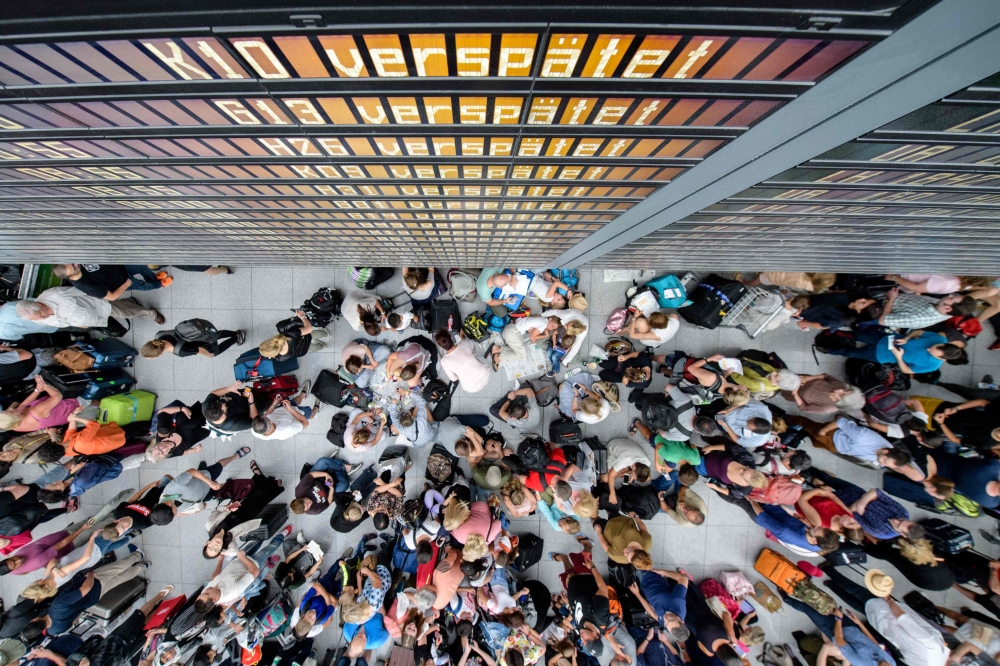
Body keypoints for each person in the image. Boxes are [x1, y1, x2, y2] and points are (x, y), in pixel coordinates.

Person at [819, 567, 949, 666]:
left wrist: (890, 600)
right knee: (857, 605)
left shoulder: (934, 647)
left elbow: (905, 620)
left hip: (889, 613)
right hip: (885, 628)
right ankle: (831, 585)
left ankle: (829, 570)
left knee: (858, 592)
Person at [807, 468, 925, 541]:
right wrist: (861, 506)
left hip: (840, 502)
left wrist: (865, 501)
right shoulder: (904, 513)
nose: (897, 520)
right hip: (853, 490)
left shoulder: (881, 532)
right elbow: (876, 491)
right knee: (827, 478)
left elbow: (851, 515)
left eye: (898, 525)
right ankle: (805, 467)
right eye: (902, 520)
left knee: (817, 491)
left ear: (903, 535)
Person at [820, 326, 960, 376]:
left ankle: (829, 349)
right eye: (932, 346)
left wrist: (899, 357)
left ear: (942, 359)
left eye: (931, 351)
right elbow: (919, 332)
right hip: (886, 339)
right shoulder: (939, 340)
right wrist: (907, 338)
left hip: (881, 355)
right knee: (858, 335)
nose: (928, 348)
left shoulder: (932, 366)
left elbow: (907, 371)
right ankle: (831, 334)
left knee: (852, 353)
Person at [16, 286, 164, 327]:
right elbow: (60, 323)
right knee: (124, 309)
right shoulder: (36, 318)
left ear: (38, 304)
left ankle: (151, 314)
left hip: (99, 305)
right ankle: (130, 302)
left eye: (41, 315)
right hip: (90, 319)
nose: (42, 318)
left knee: (125, 312)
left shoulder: (56, 295)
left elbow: (82, 291)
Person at [749, 499, 840, 553]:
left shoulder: (786, 531)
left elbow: (763, 516)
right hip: (778, 510)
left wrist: (752, 501)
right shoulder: (819, 545)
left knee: (739, 498)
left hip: (760, 511)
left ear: (814, 541)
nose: (815, 525)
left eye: (815, 529)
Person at [0, 375, 78, 432]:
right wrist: (43, 385)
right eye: (10, 412)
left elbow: (23, 406)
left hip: (62, 416)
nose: (10, 408)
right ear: (15, 417)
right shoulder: (35, 412)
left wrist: (37, 390)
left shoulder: (14, 425)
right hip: (70, 405)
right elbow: (57, 396)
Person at [291, 455, 361, 515]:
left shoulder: (300, 490)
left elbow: (311, 475)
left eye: (306, 502)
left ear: (301, 498)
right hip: (328, 488)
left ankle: (344, 467)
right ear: (305, 511)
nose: (310, 503)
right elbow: (328, 502)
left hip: (318, 478)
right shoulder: (315, 510)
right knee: (345, 484)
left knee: (323, 461)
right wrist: (331, 489)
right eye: (308, 506)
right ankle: (333, 466)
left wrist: (326, 474)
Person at [52, 263, 170, 298]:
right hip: (122, 282)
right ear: (71, 277)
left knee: (141, 267)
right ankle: (158, 284)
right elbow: (112, 297)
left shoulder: (78, 263)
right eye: (74, 268)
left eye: (73, 263)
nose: (77, 264)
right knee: (142, 285)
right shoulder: (89, 286)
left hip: (121, 267)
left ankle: (154, 278)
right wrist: (127, 284)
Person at [141, 320, 244, 359]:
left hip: (205, 341)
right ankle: (236, 333)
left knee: (217, 351)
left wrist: (208, 355)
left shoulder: (180, 351)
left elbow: (199, 350)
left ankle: (236, 338)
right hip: (197, 331)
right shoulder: (159, 335)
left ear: (160, 354)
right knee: (217, 335)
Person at [488, 316, 558, 372]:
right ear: (550, 319)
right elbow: (532, 337)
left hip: (511, 328)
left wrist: (532, 330)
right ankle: (498, 356)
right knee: (522, 355)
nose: (550, 328)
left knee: (520, 349)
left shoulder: (543, 318)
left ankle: (497, 349)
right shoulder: (544, 324)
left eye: (553, 328)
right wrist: (545, 335)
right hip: (512, 333)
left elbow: (531, 322)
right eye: (552, 326)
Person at [252, 384, 319, 441]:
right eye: (266, 416)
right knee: (310, 413)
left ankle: (303, 395)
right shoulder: (287, 430)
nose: (266, 414)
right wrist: (290, 409)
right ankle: (316, 408)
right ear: (270, 422)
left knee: (294, 401)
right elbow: (305, 423)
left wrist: (274, 405)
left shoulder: (256, 430)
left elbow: (267, 415)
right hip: (298, 415)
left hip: (283, 409)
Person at [879, 290, 974, 329]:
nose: (950, 295)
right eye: (954, 295)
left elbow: (882, 320)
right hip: (891, 296)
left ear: (948, 308)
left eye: (951, 298)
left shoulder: (917, 319)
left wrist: (890, 299)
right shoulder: (941, 305)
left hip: (878, 307)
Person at [435, 329, 489, 393]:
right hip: (485, 375)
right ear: (451, 337)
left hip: (471, 388)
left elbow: (454, 379)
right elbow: (463, 339)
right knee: (471, 356)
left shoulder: (443, 361)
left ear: (441, 346)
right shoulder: (463, 343)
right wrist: (462, 335)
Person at [783, 374, 865, 415]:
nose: (840, 390)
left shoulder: (826, 408)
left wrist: (795, 393)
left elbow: (804, 407)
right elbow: (826, 376)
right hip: (800, 378)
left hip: (791, 392)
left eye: (841, 395)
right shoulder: (843, 386)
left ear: (841, 403)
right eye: (846, 391)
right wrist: (808, 378)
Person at [795, 293, 882, 331]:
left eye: (863, 303)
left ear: (860, 312)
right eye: (867, 299)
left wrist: (804, 324)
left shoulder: (842, 319)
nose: (862, 299)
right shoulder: (854, 296)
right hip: (810, 298)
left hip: (804, 310)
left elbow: (823, 325)